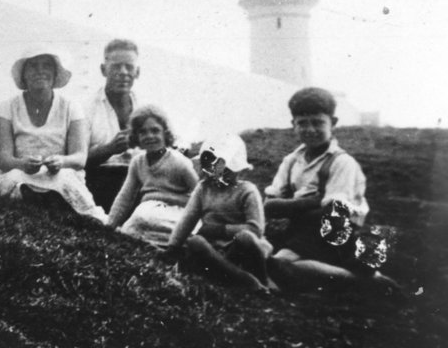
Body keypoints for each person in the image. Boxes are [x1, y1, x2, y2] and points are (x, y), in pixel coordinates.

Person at [264, 87, 396, 290]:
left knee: (280, 263)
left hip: (335, 232)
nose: (310, 129)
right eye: (302, 123)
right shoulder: (291, 161)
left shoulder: (342, 162)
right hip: (302, 230)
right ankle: (344, 276)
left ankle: (363, 282)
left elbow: (331, 211)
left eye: (318, 122)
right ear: (293, 125)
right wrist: (314, 200)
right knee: (263, 258)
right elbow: (270, 206)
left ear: (333, 123)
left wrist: (290, 206)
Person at [0, 46, 106, 222]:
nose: (40, 71)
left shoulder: (71, 107)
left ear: (55, 73)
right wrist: (22, 164)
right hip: (22, 173)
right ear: (24, 74)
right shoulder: (6, 107)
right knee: (12, 179)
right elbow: (4, 159)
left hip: (58, 173)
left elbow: (80, 158)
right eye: (33, 66)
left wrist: (61, 161)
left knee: (66, 182)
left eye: (46, 66)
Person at [163, 134, 273, 290]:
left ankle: (260, 279)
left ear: (235, 167)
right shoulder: (203, 188)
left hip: (238, 251)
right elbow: (187, 219)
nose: (214, 173)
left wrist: (220, 230)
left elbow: (256, 229)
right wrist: (172, 246)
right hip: (214, 253)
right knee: (196, 241)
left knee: (246, 237)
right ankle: (245, 280)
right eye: (209, 167)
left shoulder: (247, 191)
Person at [106, 105, 199, 246]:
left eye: (155, 131)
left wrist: (169, 199)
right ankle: (160, 240)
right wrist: (109, 226)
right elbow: (125, 197)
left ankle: (178, 239)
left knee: (144, 217)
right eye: (143, 132)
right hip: (149, 212)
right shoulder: (137, 162)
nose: (149, 136)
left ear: (165, 134)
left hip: (176, 212)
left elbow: (201, 196)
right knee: (134, 224)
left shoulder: (179, 162)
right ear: (136, 137)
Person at [84, 39, 141, 211]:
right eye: (116, 66)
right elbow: (75, 159)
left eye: (129, 67)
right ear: (103, 70)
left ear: (137, 72)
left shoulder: (145, 109)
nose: (123, 72)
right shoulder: (86, 108)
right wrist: (109, 149)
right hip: (100, 180)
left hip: (140, 181)